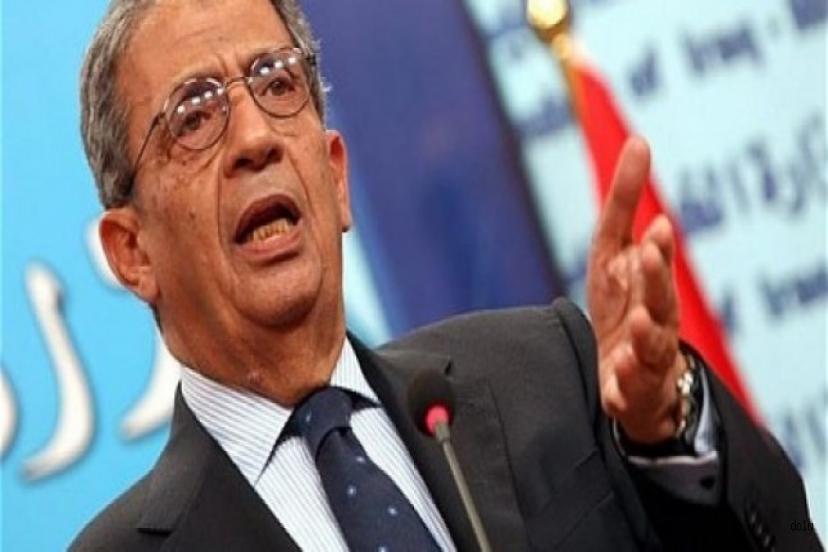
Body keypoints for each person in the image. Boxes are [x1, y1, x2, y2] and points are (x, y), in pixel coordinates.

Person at [71, 0, 820, 550]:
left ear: (336, 177)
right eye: (195, 116)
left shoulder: (551, 371)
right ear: (132, 251)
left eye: (276, 82)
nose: (256, 137)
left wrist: (666, 430)